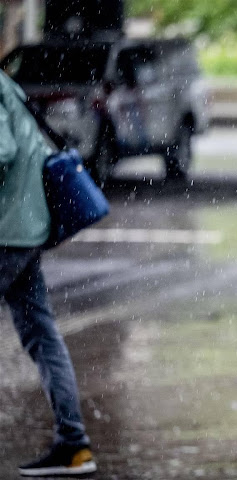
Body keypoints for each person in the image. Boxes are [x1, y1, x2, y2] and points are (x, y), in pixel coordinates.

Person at [0, 71, 97, 476]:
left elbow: (2, 150)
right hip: (27, 225)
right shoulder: (7, 84)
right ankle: (74, 445)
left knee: (42, 333)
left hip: (6, 231)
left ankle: (73, 443)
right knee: (42, 333)